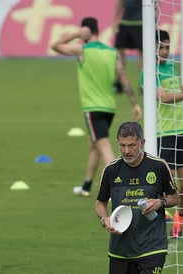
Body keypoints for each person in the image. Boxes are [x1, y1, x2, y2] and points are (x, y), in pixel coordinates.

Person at [51, 17, 142, 197]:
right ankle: (86, 186)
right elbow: (123, 78)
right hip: (109, 108)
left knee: (104, 147)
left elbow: (55, 46)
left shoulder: (82, 49)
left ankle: (121, 188)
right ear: (98, 31)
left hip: (93, 108)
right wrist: (135, 103)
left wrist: (76, 34)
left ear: (85, 31)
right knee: (94, 145)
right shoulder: (112, 52)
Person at [140, 29, 183, 238]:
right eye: (162, 47)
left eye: (168, 47)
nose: (166, 51)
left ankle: (179, 217)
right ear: (153, 49)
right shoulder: (148, 72)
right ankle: (154, 218)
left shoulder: (171, 67)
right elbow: (165, 97)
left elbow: (179, 87)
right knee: (164, 182)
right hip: (163, 133)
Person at [95, 121, 180, 274]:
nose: (126, 151)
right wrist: (104, 220)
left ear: (142, 143)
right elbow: (100, 203)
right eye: (122, 145)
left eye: (132, 145)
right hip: (120, 250)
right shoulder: (111, 170)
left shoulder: (159, 166)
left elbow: (175, 198)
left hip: (152, 248)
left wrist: (160, 202)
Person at [112, 0, 159, 93]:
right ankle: (118, 82)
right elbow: (119, 2)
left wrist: (154, 20)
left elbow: (155, 3)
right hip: (125, 22)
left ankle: (143, 84)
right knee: (119, 55)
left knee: (143, 55)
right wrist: (114, 21)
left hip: (141, 23)